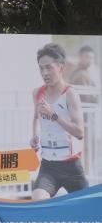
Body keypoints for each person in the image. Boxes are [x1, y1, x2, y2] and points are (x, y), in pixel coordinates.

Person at [29, 43, 86, 199]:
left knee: (87, 208)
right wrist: (34, 136)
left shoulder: (70, 94)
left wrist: (54, 115)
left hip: (71, 166)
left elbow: (79, 132)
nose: (44, 73)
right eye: (41, 68)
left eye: (49, 67)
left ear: (61, 67)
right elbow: (36, 117)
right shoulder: (37, 93)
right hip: (48, 166)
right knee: (38, 199)